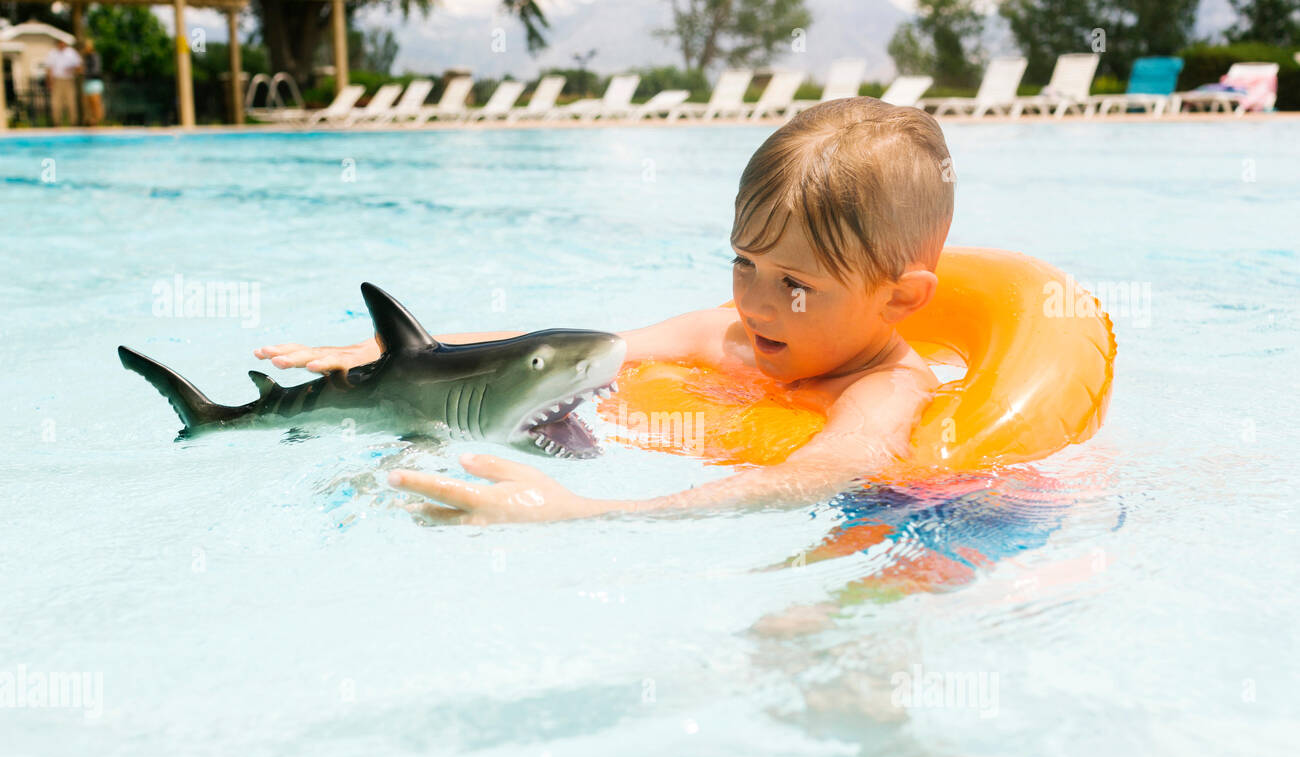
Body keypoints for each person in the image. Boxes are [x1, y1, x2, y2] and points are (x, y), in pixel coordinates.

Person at [255, 98, 952, 524]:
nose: (754, 300)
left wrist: (586, 512)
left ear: (900, 298)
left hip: (898, 516)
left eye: (793, 282)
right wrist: (410, 356)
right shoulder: (732, 338)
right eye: (744, 262)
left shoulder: (885, 391)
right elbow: (563, 349)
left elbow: (817, 476)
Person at [43, 37, 82, 127]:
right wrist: (49, 82)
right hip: (57, 80)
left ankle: (73, 123)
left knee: (71, 102)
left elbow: (79, 68)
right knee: (56, 103)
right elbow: (49, 69)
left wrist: (72, 70)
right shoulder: (52, 53)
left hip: (69, 80)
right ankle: (56, 123)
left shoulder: (71, 52)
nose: (61, 44)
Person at [80, 39, 104, 127]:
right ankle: (91, 122)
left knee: (95, 103)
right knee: (87, 104)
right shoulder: (85, 57)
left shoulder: (95, 56)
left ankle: (97, 121)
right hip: (87, 82)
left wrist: (84, 71)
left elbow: (96, 70)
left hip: (94, 82)